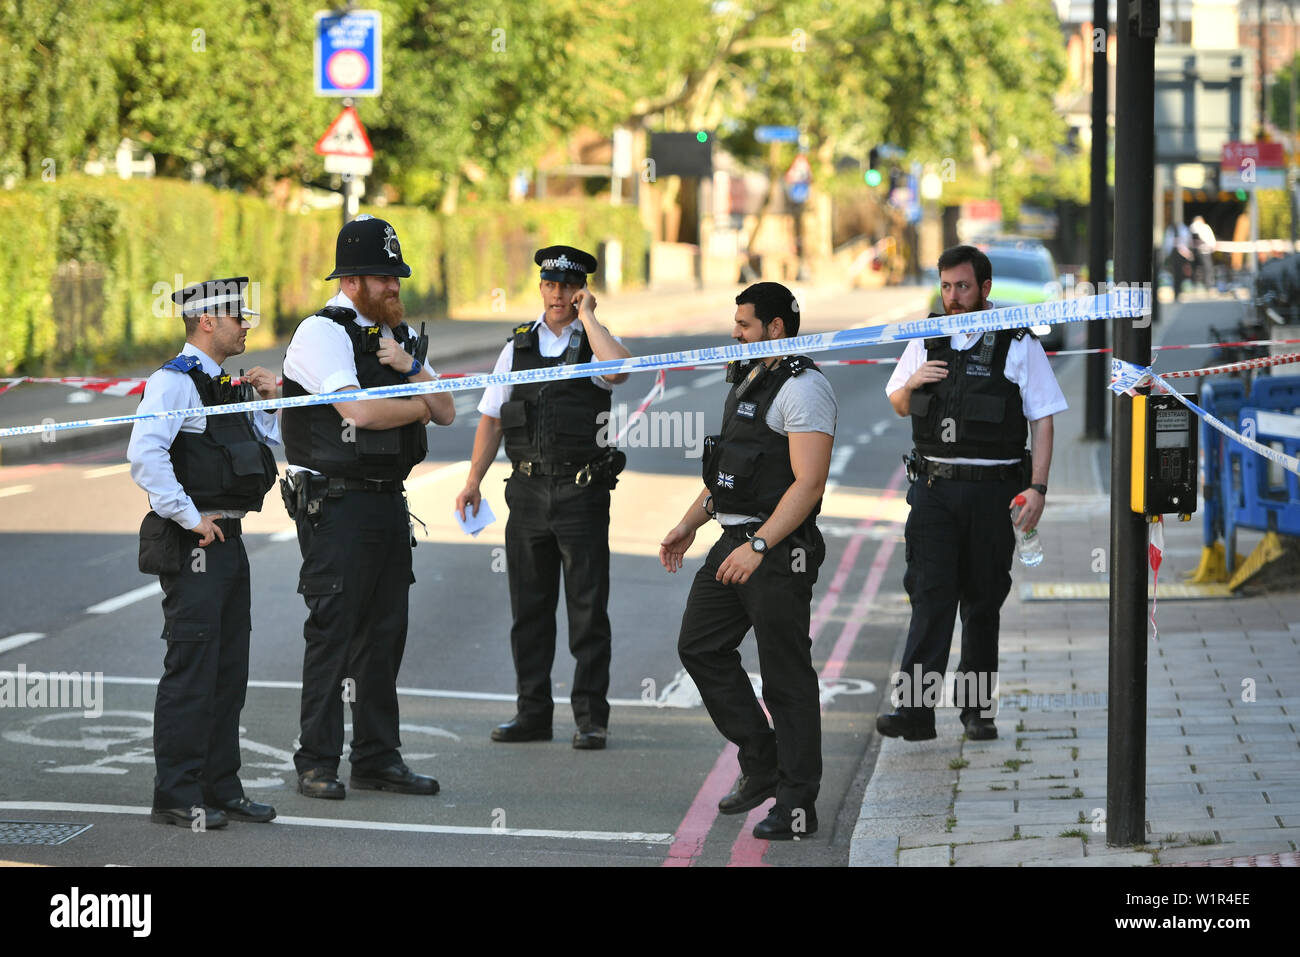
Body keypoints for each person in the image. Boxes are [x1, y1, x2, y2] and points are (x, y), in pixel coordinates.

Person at [281, 215, 455, 799]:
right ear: (353, 280)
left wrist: (411, 372)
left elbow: (449, 408)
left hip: (386, 503)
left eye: (397, 277)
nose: (395, 288)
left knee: (385, 636)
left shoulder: (395, 337)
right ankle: (316, 761)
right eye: (385, 278)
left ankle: (378, 758)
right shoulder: (320, 334)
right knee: (334, 632)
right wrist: (417, 404)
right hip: (334, 507)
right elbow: (359, 414)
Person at [659, 282, 836, 840]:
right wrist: (689, 523)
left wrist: (759, 547)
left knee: (786, 678)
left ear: (775, 328)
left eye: (744, 324)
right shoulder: (748, 379)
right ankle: (762, 761)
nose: (734, 332)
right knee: (699, 645)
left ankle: (797, 803)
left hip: (777, 551)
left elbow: (807, 485)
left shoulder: (804, 388)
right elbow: (729, 477)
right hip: (732, 540)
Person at [878, 244, 1066, 743]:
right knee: (930, 597)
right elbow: (899, 405)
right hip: (934, 491)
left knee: (982, 604)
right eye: (945, 286)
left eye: (962, 286)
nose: (952, 297)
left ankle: (976, 713)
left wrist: (1038, 488)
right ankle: (915, 713)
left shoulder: (1017, 341)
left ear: (985, 289)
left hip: (994, 493)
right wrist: (913, 381)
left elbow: (1042, 419)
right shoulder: (926, 337)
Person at [455, 245, 631, 750]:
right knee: (529, 611)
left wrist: (590, 317)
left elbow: (618, 371)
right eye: (550, 285)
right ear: (540, 288)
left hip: (581, 493)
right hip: (527, 494)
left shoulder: (595, 343)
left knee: (587, 609)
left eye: (568, 287)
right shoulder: (517, 347)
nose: (558, 295)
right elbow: (491, 416)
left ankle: (590, 718)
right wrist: (473, 480)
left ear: (581, 290)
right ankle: (532, 712)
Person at [128, 276, 280, 829]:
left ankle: (221, 786)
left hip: (229, 542)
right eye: (239, 316)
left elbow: (256, 444)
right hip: (197, 544)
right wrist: (192, 518)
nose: (247, 324)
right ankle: (176, 793)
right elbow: (146, 456)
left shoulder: (221, 382)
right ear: (208, 321)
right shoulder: (172, 383)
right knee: (192, 670)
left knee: (228, 671)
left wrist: (270, 403)